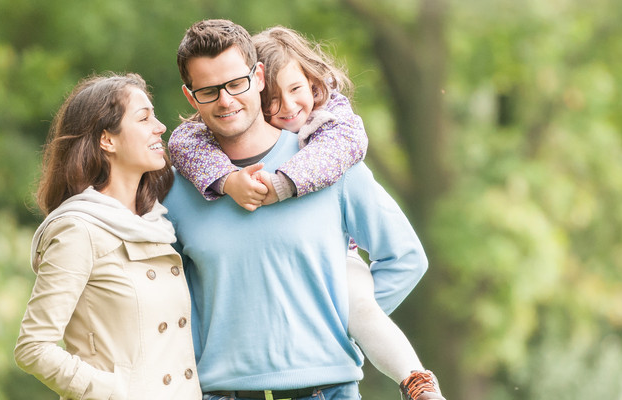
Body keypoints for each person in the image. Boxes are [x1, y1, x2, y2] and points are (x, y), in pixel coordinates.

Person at [168, 25, 444, 400]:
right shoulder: (176, 187)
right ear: (190, 95)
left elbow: (405, 257)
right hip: (220, 392)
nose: (225, 100)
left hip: (327, 391)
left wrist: (347, 324)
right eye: (208, 90)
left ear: (258, 77)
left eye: (236, 84)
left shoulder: (328, 161)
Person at [14, 72, 201, 400]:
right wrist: (112, 392)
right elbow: (33, 346)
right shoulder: (78, 229)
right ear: (107, 140)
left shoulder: (155, 223)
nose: (160, 127)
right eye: (144, 118)